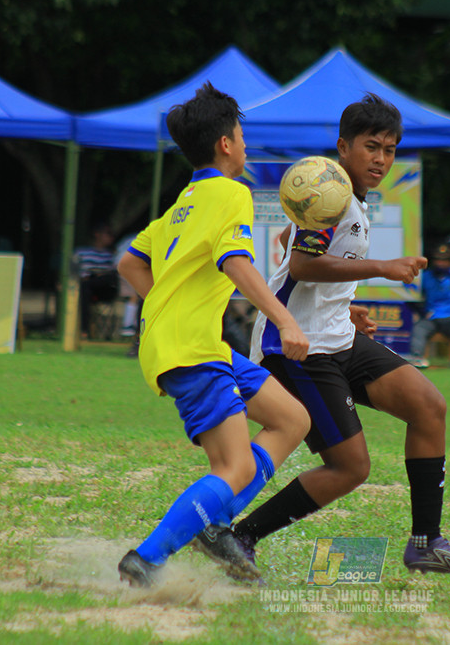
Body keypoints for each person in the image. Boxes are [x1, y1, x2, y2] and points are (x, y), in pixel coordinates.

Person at [196, 93, 450, 578]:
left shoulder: (347, 197)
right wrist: (383, 268)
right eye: (371, 147)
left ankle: (426, 543)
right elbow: (302, 264)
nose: (381, 159)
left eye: (390, 150)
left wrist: (341, 306)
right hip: (298, 348)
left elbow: (294, 249)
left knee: (428, 405)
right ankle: (240, 537)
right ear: (343, 147)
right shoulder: (330, 195)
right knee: (350, 467)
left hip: (336, 336)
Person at [114, 82, 311, 587]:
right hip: (193, 348)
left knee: (291, 419)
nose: (245, 146)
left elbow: (129, 262)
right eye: (241, 137)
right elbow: (235, 263)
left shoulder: (181, 204)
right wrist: (285, 320)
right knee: (235, 468)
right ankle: (147, 559)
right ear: (226, 144)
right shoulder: (231, 193)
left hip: (198, 344)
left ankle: (215, 523)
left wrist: (166, 307)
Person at [408, 244, 450, 369]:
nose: (440, 263)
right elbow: (411, 296)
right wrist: (421, 312)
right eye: (438, 260)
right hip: (432, 316)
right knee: (419, 328)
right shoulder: (426, 276)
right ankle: (417, 357)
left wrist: (447, 272)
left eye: (444, 260)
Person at [74, 223, 118, 338]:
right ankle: (84, 330)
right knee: (84, 288)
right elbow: (75, 271)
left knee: (107, 278)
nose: (111, 237)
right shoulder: (81, 252)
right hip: (85, 288)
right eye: (108, 234)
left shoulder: (111, 255)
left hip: (104, 288)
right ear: (97, 234)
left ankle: (85, 330)